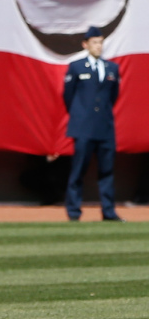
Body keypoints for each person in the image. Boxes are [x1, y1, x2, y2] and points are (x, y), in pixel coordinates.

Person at [62, 26, 123, 222]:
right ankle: (73, 212)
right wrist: (82, 116)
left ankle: (109, 211)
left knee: (107, 171)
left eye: (101, 42)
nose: (99, 46)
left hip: (105, 128)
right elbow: (68, 97)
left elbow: (113, 97)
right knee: (78, 169)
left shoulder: (112, 68)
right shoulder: (77, 67)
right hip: (83, 127)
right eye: (95, 42)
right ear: (85, 44)